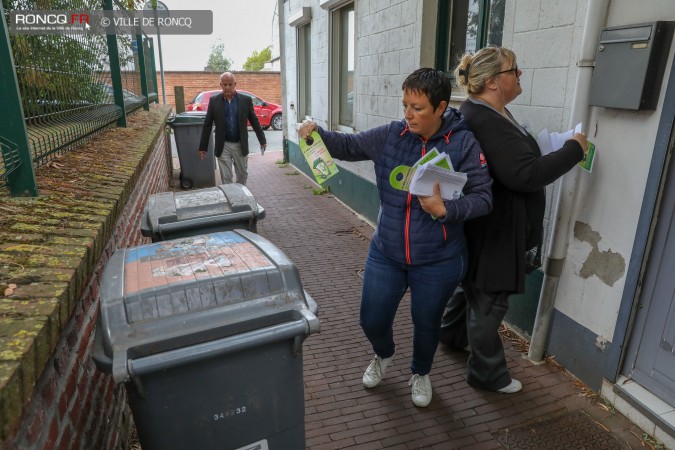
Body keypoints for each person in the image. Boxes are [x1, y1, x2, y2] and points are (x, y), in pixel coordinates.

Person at [298, 68, 492, 407]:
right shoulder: (392, 135)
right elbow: (348, 145)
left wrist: (446, 209)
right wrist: (316, 134)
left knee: (427, 322)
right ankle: (383, 354)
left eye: (417, 108)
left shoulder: (463, 143)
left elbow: (484, 197)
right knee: (371, 317)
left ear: (441, 107)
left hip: (439, 258)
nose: (407, 115)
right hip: (387, 251)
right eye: (405, 105)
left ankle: (420, 373)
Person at [440, 46, 587, 394]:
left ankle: (450, 334)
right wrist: (574, 150)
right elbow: (524, 174)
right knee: (489, 302)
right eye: (514, 70)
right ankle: (487, 374)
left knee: (474, 290)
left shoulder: (489, 111)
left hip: (489, 225)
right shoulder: (484, 119)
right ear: (492, 81)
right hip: (496, 230)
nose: (520, 75)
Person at [198, 72, 267, 186]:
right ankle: (231, 199)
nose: (227, 87)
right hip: (223, 145)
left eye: (230, 84)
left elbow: (254, 121)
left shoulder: (245, 100)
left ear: (235, 84)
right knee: (226, 177)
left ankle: (241, 196)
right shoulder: (214, 101)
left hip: (240, 144)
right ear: (221, 85)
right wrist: (203, 147)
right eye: (225, 85)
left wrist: (262, 140)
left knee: (242, 174)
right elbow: (207, 124)